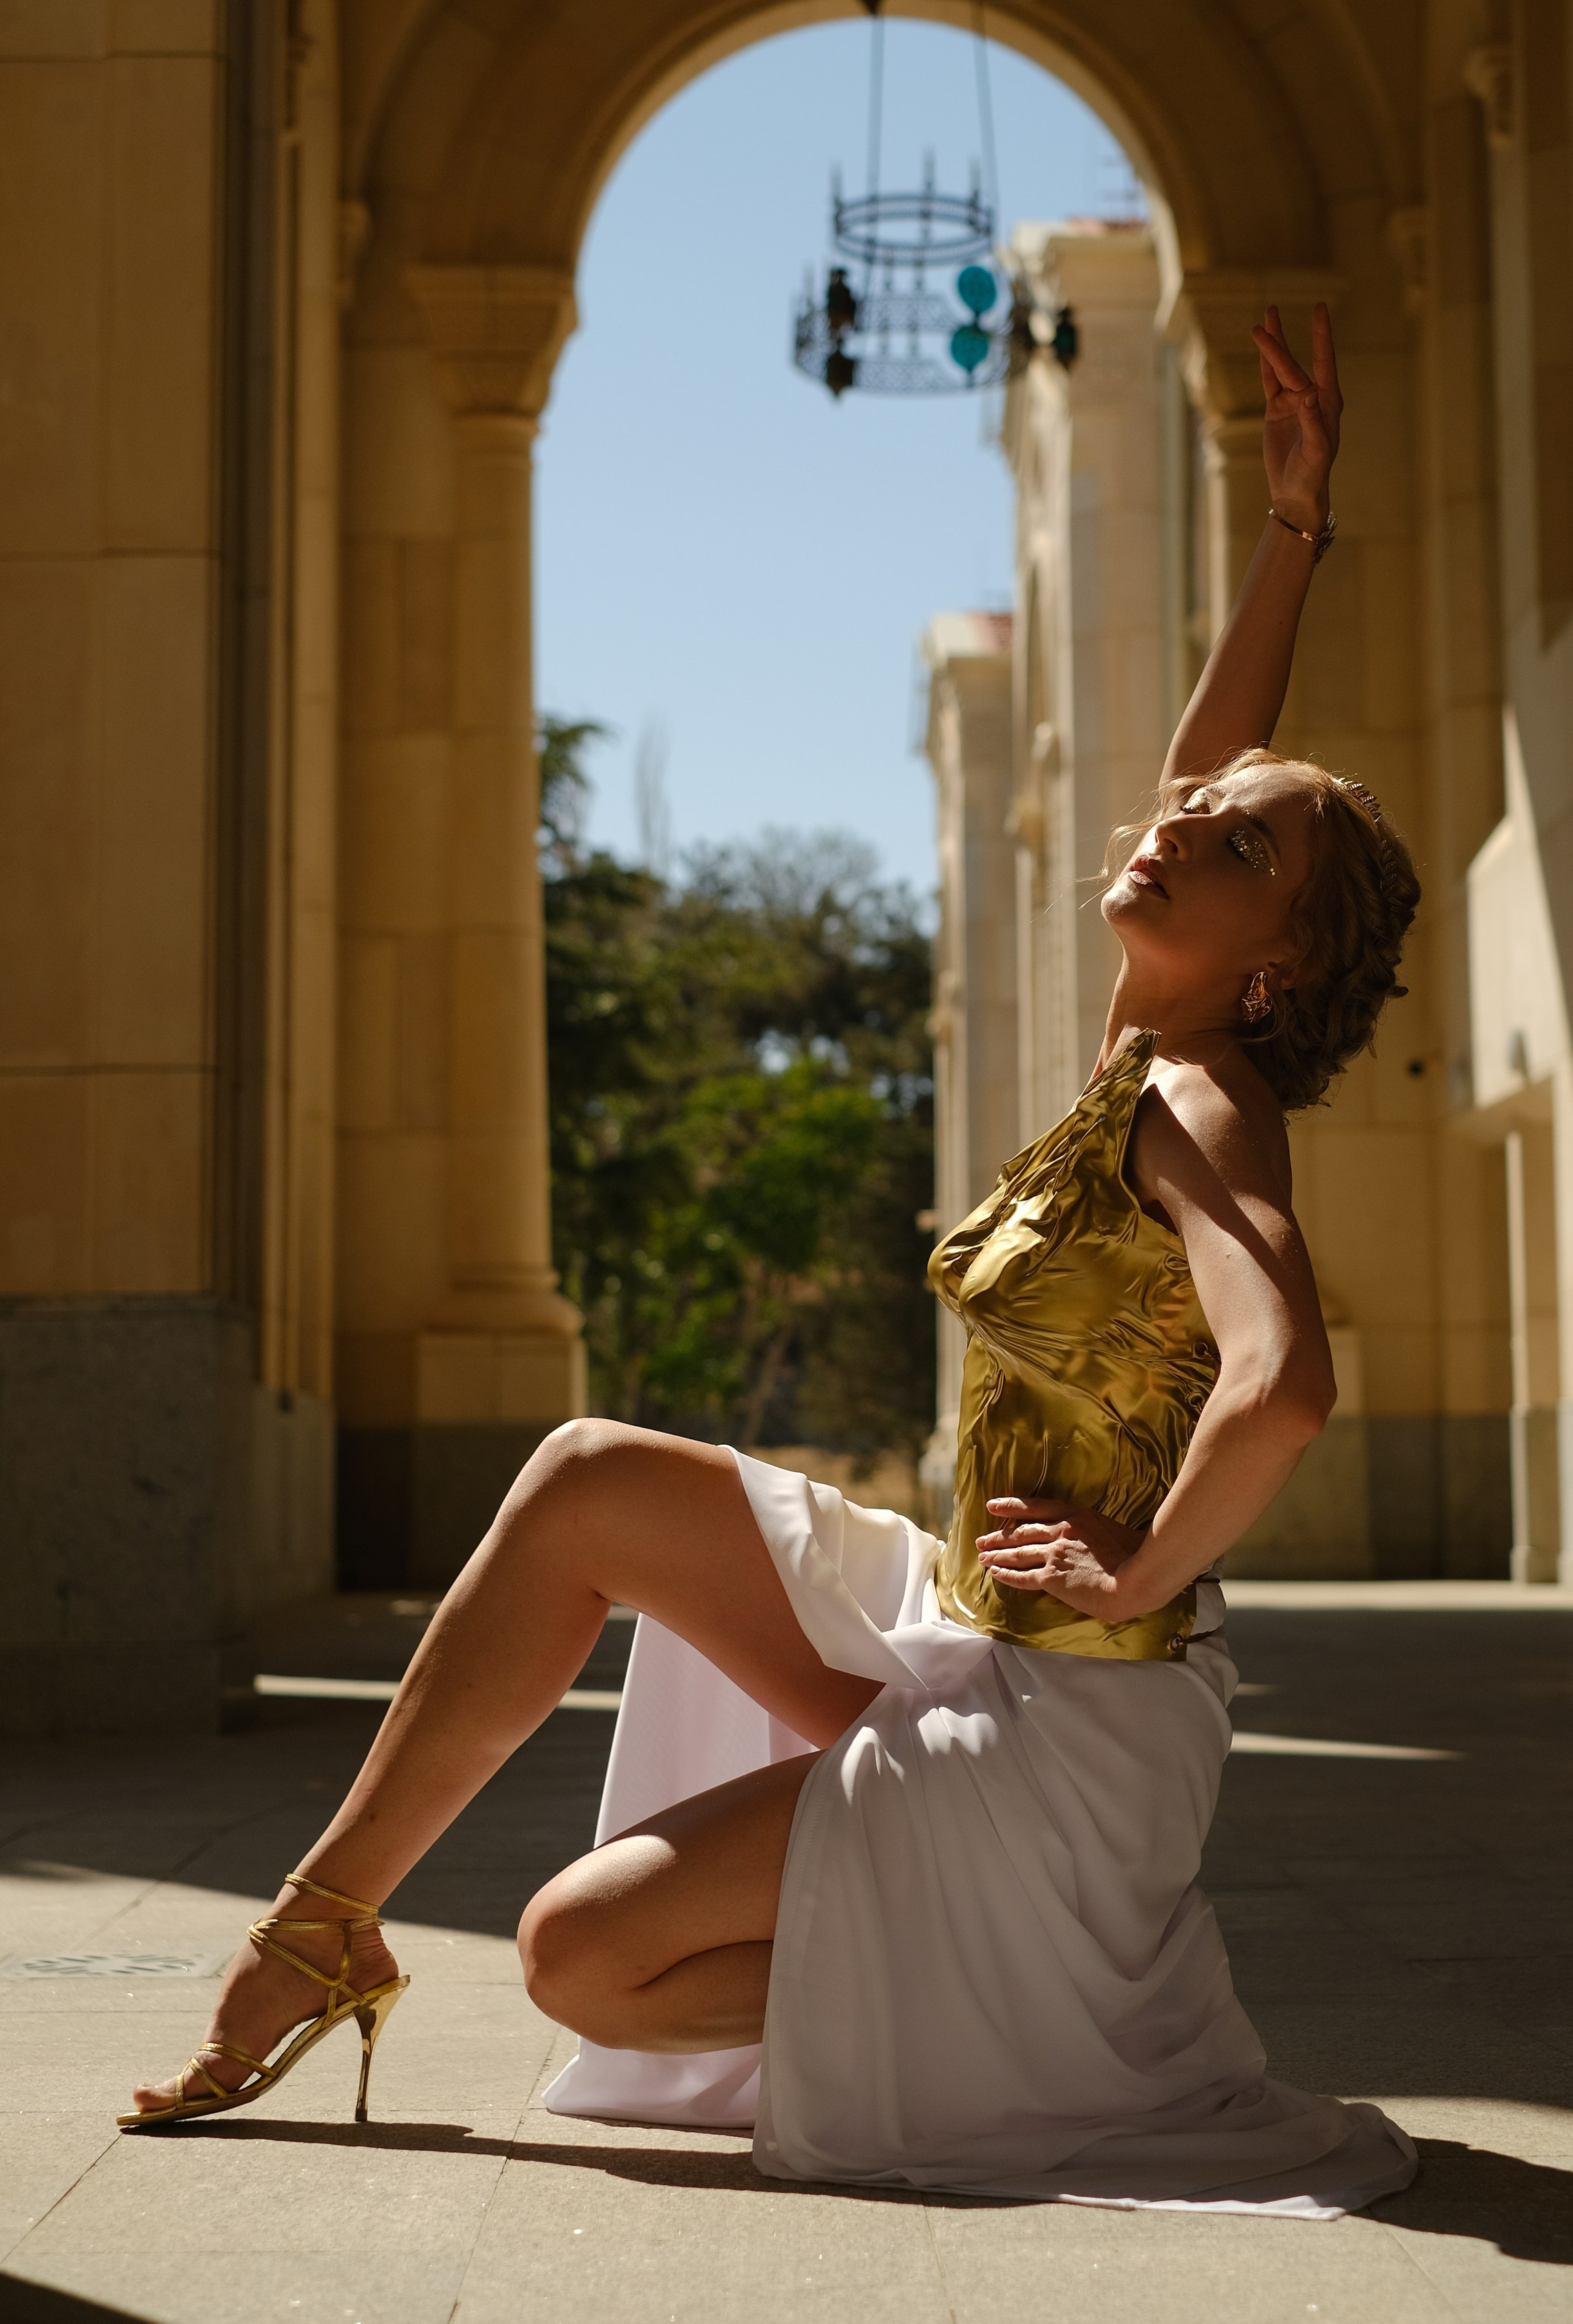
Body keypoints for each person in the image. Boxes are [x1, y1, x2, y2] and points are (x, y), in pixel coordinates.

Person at [124, 305, 1421, 2218]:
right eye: (1184, 814)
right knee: (583, 1482)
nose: (1175, 823)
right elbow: (1211, 753)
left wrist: (1147, 1561)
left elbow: (1286, 1378)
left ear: (1277, 960)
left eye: (1228, 846)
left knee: (580, 1962)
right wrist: (1292, 524)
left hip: (1068, 1714)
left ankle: (1022, 2016)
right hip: (982, 1627)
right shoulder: (1147, 1052)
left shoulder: (1205, 1107)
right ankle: (319, 1934)